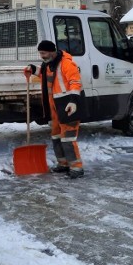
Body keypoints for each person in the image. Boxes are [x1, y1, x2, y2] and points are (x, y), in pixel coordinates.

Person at [24, 40, 85, 179]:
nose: (41, 56)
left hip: (68, 105)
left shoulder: (66, 64)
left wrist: (73, 101)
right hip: (55, 106)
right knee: (56, 136)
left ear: (52, 51)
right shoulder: (49, 64)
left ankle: (76, 167)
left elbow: (75, 82)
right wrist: (33, 69)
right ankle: (63, 163)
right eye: (40, 53)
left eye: (43, 53)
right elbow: (44, 74)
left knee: (68, 138)